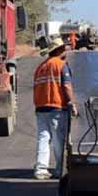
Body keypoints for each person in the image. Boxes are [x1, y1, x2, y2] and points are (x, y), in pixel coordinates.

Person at [33, 37, 77, 180]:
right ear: (59, 50)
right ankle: (60, 169)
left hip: (41, 108)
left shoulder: (41, 67)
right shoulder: (61, 65)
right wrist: (72, 102)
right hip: (57, 107)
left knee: (43, 138)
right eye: (64, 48)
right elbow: (66, 86)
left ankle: (40, 169)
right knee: (59, 140)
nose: (66, 51)